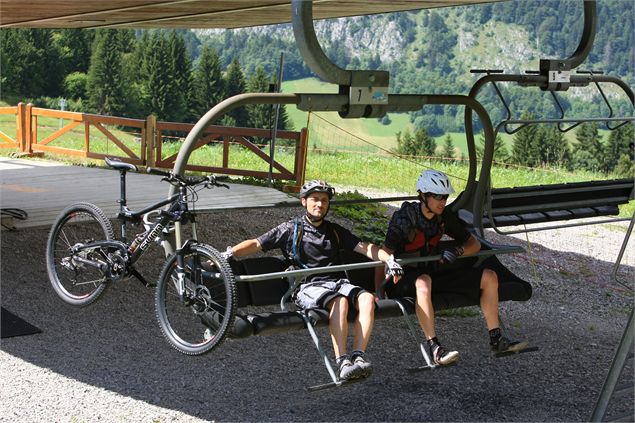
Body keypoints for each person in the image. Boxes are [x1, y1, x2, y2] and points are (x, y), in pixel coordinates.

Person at [222, 180, 403, 381]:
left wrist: (389, 259)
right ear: (304, 202)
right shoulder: (291, 229)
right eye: (315, 199)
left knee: (367, 299)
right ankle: (342, 362)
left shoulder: (333, 230)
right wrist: (229, 253)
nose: (320, 204)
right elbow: (257, 243)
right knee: (339, 302)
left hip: (337, 283)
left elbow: (364, 247)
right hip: (307, 286)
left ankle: (358, 356)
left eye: (324, 200)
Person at [377, 170, 527, 365]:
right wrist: (378, 292)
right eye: (437, 196)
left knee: (489, 276)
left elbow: (474, 244)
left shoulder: (443, 217)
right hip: (403, 280)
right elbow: (382, 254)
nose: (443, 201)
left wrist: (457, 252)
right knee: (423, 281)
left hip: (431, 273)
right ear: (423, 195)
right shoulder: (404, 219)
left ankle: (496, 339)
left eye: (445, 197)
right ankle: (435, 348)